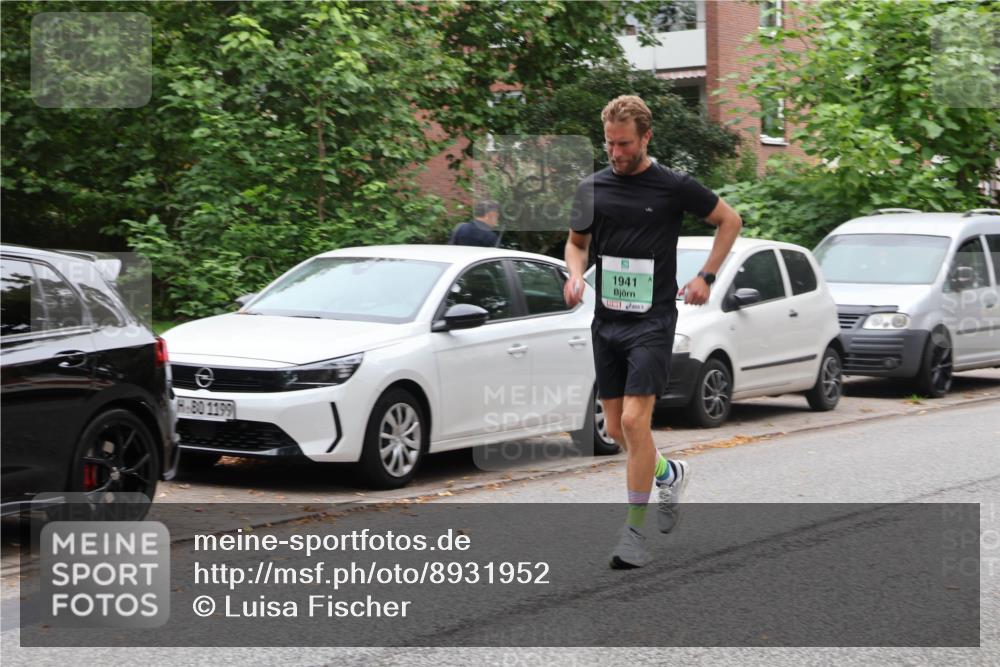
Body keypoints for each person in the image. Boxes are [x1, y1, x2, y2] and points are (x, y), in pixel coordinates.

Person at [563, 95, 742, 569]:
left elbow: (730, 220)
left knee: (634, 424)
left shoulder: (673, 186)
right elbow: (576, 242)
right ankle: (669, 472)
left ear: (646, 138)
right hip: (607, 322)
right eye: (609, 144)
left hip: (653, 320)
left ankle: (634, 534)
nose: (617, 153)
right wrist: (575, 273)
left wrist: (706, 276)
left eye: (624, 144)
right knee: (617, 428)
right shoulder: (592, 188)